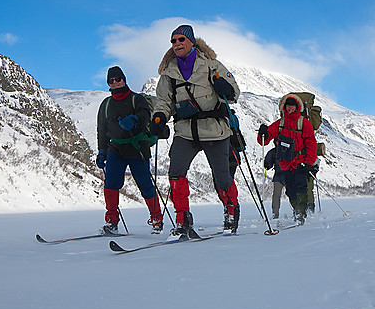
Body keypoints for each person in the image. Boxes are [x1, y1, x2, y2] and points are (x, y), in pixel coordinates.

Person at [149, 24, 241, 237]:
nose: (177, 44)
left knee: (222, 176)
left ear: (191, 41)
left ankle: (231, 211)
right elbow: (163, 101)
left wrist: (225, 89)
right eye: (173, 41)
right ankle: (182, 219)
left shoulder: (211, 65)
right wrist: (159, 117)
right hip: (185, 130)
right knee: (176, 173)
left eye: (181, 39)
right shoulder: (168, 74)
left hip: (214, 129)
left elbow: (234, 92)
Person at [96, 66, 163, 235]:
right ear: (108, 84)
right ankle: (112, 222)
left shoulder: (136, 99)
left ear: (124, 80)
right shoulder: (106, 104)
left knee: (145, 184)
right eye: (111, 81)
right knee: (110, 184)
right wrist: (102, 151)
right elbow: (102, 130)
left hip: (136, 146)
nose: (115, 83)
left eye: (118, 79)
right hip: (116, 148)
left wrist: (134, 120)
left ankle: (157, 219)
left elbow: (145, 115)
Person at [257, 95, 318, 224]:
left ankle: (300, 213)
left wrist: (309, 162)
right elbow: (266, 138)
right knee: (290, 190)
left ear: (297, 107)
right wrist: (263, 133)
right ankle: (297, 210)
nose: (290, 108)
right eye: (288, 105)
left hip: (300, 161)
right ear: (284, 107)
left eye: (292, 105)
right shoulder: (280, 123)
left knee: (301, 187)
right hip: (285, 163)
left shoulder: (303, 123)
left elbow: (311, 143)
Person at [264, 147, 286, 220]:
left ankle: (296, 210)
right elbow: (268, 162)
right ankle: (275, 213)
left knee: (292, 194)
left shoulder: (274, 151)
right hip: (279, 176)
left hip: (288, 174)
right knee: (276, 195)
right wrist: (267, 164)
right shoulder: (274, 152)